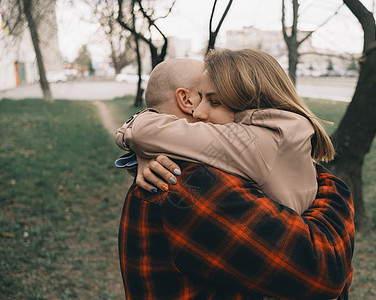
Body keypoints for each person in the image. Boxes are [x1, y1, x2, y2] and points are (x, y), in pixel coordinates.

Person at [116, 58, 355, 299]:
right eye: (204, 95)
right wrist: (332, 189)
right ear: (187, 100)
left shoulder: (189, 167)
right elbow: (322, 273)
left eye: (217, 99)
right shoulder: (191, 183)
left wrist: (141, 143)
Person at [116, 49, 335, 215]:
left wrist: (143, 145)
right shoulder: (285, 129)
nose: (200, 112)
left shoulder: (253, 140)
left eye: (214, 101)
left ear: (248, 103)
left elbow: (144, 133)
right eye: (200, 97)